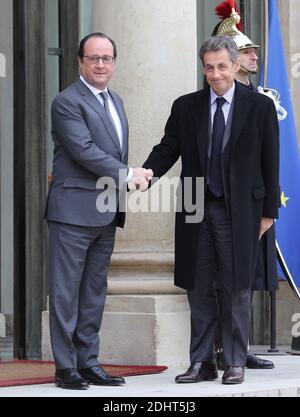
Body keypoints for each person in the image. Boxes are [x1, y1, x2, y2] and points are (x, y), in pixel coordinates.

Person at [142, 35, 280, 384]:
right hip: (195, 206)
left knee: (236, 287)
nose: (215, 74)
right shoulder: (186, 106)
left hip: (241, 211)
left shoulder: (260, 107)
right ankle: (201, 362)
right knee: (198, 286)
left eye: (222, 66)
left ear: (236, 65)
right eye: (209, 67)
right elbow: (167, 148)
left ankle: (234, 360)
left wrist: (268, 214)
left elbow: (270, 162)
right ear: (203, 69)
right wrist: (144, 174)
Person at [45, 32, 151, 390]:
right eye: (94, 58)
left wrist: (131, 175)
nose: (101, 64)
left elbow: (112, 151)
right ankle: (65, 367)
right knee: (66, 292)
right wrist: (129, 175)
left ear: (115, 63)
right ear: (80, 62)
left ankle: (88, 362)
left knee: (93, 292)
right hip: (72, 212)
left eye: (107, 58)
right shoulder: (66, 101)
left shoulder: (115, 100)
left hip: (106, 211)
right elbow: (84, 150)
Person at [211, 1, 278, 370]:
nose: (254, 57)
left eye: (251, 51)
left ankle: (240, 345)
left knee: (246, 278)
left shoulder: (257, 99)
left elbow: (270, 159)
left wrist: (269, 208)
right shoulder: (210, 98)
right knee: (223, 280)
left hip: (252, 204)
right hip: (219, 205)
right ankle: (223, 348)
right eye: (247, 51)